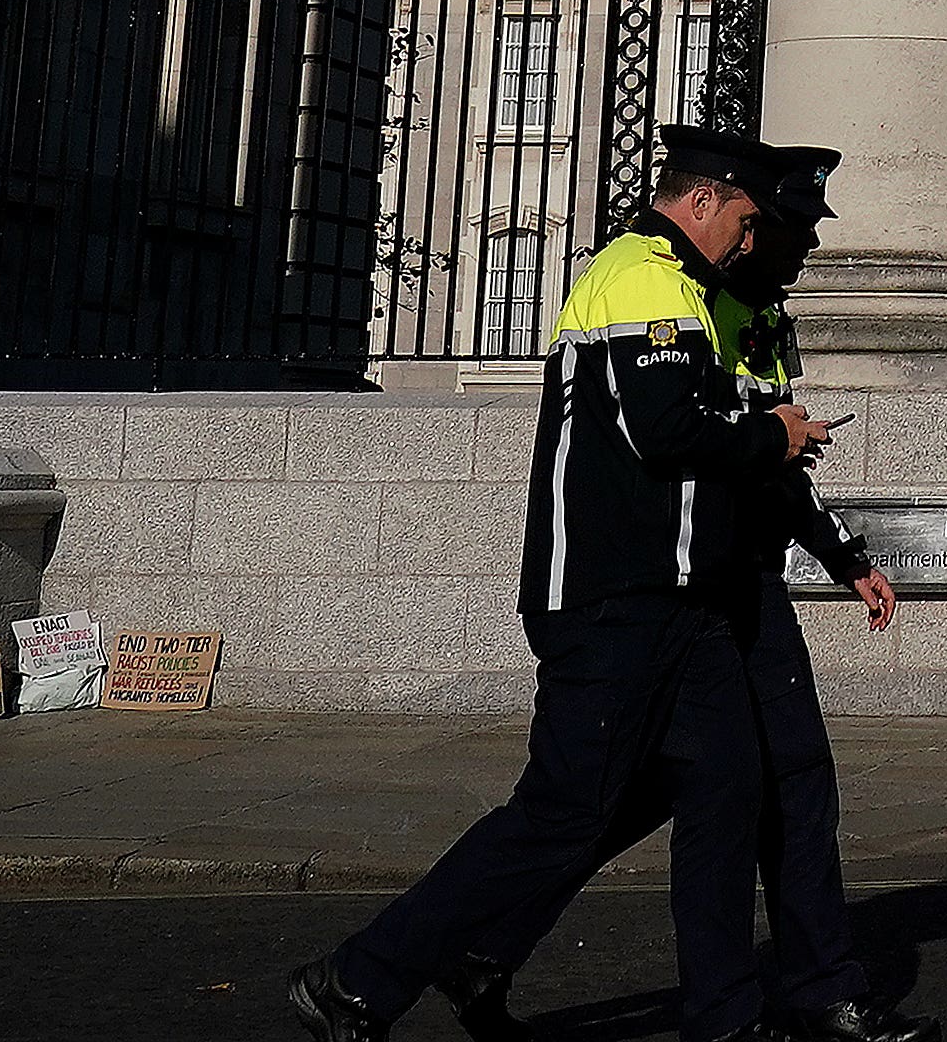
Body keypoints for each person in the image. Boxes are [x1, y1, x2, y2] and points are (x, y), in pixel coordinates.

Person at [289, 127, 829, 1042]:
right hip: (611, 597)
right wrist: (770, 436)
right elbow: (664, 432)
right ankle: (357, 977)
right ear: (703, 200)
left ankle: (726, 1017)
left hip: (682, 601)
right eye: (743, 218)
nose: (751, 239)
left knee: (726, 792)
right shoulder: (643, 274)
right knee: (563, 813)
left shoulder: (692, 287)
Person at [441, 143, 936, 1042]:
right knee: (630, 792)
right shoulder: (680, 288)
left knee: (791, 781)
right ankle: (484, 942)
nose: (799, 252)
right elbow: (683, 438)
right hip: (682, 586)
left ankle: (821, 992)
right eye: (785, 232)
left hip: (740, 581)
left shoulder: (761, 317)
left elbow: (780, 465)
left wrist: (838, 553)